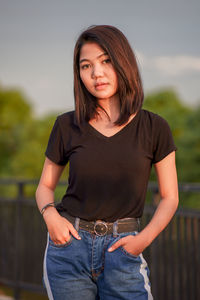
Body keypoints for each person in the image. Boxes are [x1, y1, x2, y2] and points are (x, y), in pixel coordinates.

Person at [35, 25, 179, 300]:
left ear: (123, 62)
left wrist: (141, 241)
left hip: (123, 250)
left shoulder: (155, 127)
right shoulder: (66, 125)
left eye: (106, 61)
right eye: (85, 66)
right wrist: (51, 216)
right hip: (69, 250)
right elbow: (44, 186)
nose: (96, 73)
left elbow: (170, 197)